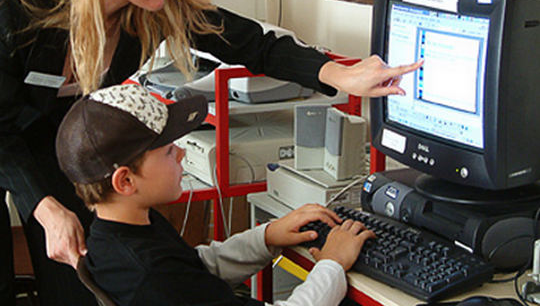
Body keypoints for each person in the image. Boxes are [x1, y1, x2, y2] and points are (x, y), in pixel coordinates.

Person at [0, 0, 421, 304]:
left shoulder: (151, 5)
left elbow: (250, 43)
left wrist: (338, 74)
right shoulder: (16, 9)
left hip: (84, 162)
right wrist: (44, 206)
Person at [56, 83, 376, 306]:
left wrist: (267, 237)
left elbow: (195, 266)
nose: (181, 154)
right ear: (125, 181)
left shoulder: (121, 231)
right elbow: (178, 280)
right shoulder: (151, 276)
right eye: (169, 151)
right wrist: (332, 263)